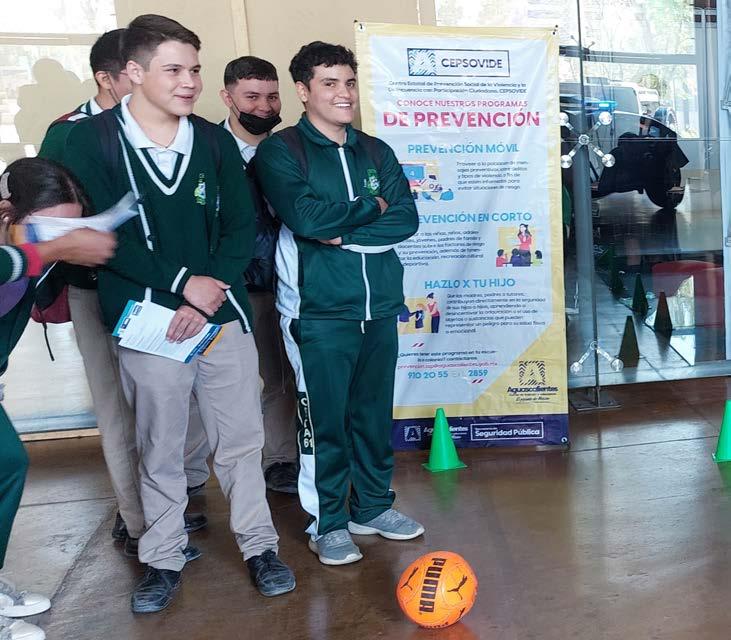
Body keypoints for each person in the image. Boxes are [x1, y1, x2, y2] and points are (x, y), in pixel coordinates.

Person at [62, 14, 295, 611]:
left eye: (194, 69)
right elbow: (102, 236)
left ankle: (260, 548)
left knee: (239, 440)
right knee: (160, 445)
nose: (189, 81)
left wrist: (208, 289)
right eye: (174, 70)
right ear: (134, 73)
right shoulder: (91, 142)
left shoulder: (212, 141)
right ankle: (162, 559)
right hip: (150, 319)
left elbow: (239, 226)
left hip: (219, 312)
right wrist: (181, 286)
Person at [38, 28, 208, 556]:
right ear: (111, 78)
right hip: (97, 290)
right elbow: (47, 219)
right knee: (119, 409)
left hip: (163, 290)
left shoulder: (177, 130)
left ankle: (171, 507)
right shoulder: (71, 134)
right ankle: (138, 523)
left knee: (169, 406)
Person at [255, 41, 423, 567]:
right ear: (303, 91)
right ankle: (327, 522)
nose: (343, 93)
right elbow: (306, 219)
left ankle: (371, 507)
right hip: (318, 312)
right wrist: (371, 209)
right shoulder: (282, 151)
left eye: (348, 82)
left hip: (380, 307)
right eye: (329, 83)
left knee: (372, 417)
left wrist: (346, 227)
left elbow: (406, 218)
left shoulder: (375, 151)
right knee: (323, 424)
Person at [0, 157, 116, 640]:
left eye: (70, 230)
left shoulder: (33, 261)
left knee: (8, 464)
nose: (59, 242)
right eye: (48, 230)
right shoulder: (24, 255)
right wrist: (52, 249)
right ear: (7, 212)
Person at [183, 55, 299, 494]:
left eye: (272, 97)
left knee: (278, 376)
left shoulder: (290, 150)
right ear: (227, 97)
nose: (264, 107)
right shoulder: (204, 148)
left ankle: (280, 460)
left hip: (278, 282)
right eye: (252, 96)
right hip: (218, 284)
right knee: (201, 382)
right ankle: (190, 474)